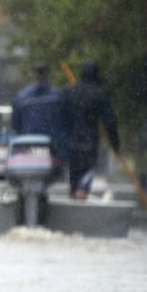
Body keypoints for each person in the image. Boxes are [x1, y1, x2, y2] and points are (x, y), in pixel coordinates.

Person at [64, 61, 121, 199]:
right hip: (89, 141)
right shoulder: (99, 94)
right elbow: (109, 121)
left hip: (71, 140)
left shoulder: (69, 91)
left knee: (74, 170)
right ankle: (82, 190)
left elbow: (60, 115)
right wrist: (115, 143)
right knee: (87, 169)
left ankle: (75, 192)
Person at [10, 62, 70, 167]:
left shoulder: (22, 97)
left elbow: (15, 124)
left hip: (29, 145)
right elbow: (66, 120)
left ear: (33, 75)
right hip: (54, 146)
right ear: (48, 75)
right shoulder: (58, 96)